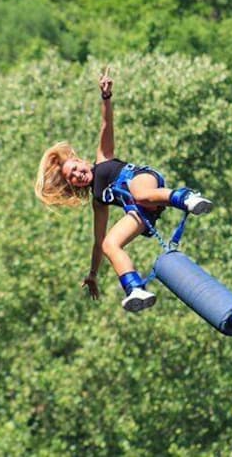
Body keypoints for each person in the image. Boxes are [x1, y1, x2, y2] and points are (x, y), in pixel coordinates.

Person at [34, 68, 213, 313]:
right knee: (110, 243)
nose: (77, 175)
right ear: (73, 187)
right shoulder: (98, 201)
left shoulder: (103, 158)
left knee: (140, 194)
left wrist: (106, 97)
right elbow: (98, 243)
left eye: (75, 168)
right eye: (72, 178)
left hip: (143, 181)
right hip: (143, 210)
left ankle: (188, 198)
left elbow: (107, 124)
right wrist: (93, 273)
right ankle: (135, 289)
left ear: (80, 160)